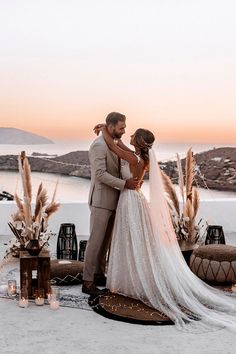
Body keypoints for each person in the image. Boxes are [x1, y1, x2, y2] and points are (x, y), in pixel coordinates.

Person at [95, 124, 236, 332]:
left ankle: (135, 281)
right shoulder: (141, 158)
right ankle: (133, 278)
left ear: (139, 142)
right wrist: (109, 132)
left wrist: (105, 130)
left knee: (131, 240)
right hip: (136, 199)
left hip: (130, 201)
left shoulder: (133, 158)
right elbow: (123, 146)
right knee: (137, 241)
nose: (130, 134)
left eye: (134, 135)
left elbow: (115, 148)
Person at [82, 112, 139, 296]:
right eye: (121, 128)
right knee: (95, 241)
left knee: (105, 243)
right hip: (101, 200)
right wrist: (125, 184)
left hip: (116, 201)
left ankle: (99, 274)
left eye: (124, 127)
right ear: (112, 126)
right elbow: (100, 174)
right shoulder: (98, 145)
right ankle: (87, 281)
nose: (124, 131)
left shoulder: (113, 141)